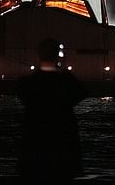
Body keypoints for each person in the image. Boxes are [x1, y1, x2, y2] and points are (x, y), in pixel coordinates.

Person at [17, 38, 87, 183]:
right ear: (57, 55)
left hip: (35, 146)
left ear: (39, 55)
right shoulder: (66, 82)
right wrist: (64, 70)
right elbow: (81, 93)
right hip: (62, 147)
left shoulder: (27, 83)